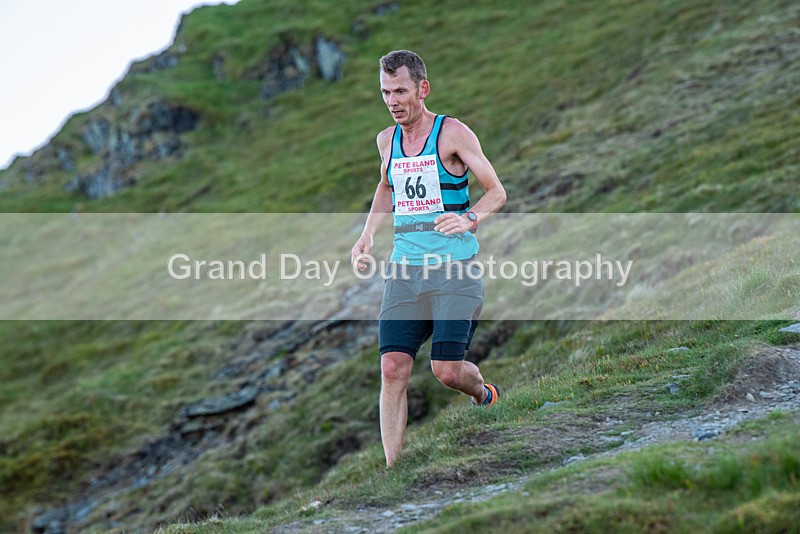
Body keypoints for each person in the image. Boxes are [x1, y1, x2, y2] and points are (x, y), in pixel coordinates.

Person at [351, 50, 507, 467]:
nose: (392, 101)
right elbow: (387, 187)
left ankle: (484, 394)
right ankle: (394, 472)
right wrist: (367, 234)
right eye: (385, 92)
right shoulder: (387, 140)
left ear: (423, 89)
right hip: (405, 272)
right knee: (392, 368)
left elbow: (496, 191)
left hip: (455, 272)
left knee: (447, 372)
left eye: (400, 91)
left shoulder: (452, 133)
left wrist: (469, 218)